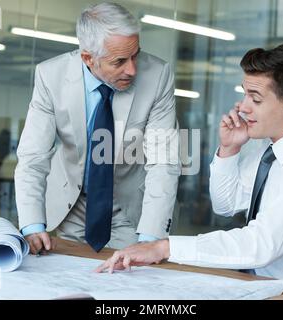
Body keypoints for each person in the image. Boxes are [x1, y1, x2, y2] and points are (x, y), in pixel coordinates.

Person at [96, 42, 283, 291]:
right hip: (258, 286)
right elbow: (225, 205)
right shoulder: (265, 149)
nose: (243, 106)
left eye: (255, 98)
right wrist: (229, 150)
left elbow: (261, 244)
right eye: (244, 94)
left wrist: (164, 247)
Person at [15, 2, 180, 254]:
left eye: (135, 54)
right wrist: (31, 224)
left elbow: (163, 161)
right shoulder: (51, 76)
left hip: (130, 209)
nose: (132, 69)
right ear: (88, 58)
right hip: (72, 207)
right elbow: (33, 157)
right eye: (120, 61)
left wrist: (151, 239)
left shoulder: (157, 76)